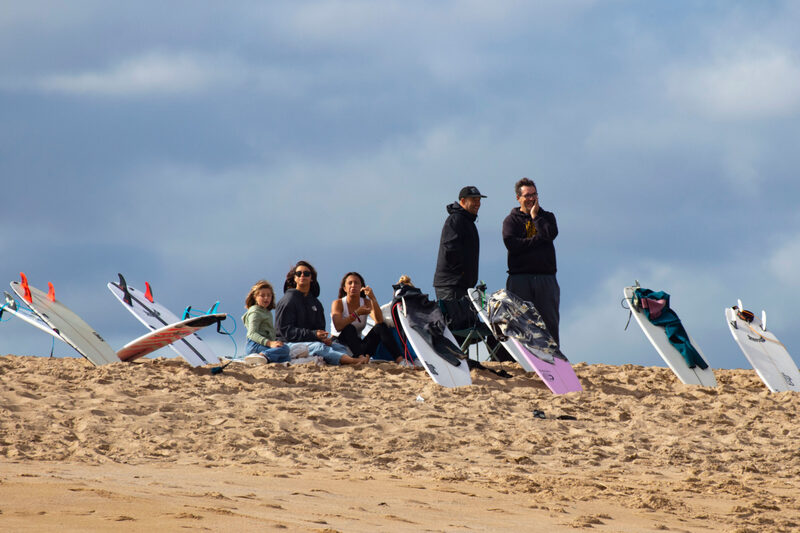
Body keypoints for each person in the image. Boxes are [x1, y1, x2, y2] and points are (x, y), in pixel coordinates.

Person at [274, 260, 368, 366]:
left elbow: (320, 328)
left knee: (338, 347)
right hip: (289, 344)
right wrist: (314, 335)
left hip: (312, 342)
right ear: (295, 278)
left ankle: (345, 359)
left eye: (306, 273)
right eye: (299, 273)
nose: (302, 276)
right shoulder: (288, 300)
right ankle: (353, 361)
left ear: (312, 278)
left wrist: (323, 338)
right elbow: (285, 331)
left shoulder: (315, 303)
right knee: (319, 347)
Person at [502, 177, 561, 345]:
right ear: (518, 198)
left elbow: (550, 234)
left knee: (549, 322)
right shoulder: (511, 221)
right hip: (520, 278)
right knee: (520, 322)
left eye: (534, 194)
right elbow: (512, 245)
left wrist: (536, 217)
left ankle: (554, 360)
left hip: (546, 278)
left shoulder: (547, 217)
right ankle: (524, 360)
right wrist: (538, 240)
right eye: (527, 195)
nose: (531, 199)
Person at [330, 271, 408, 365]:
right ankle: (361, 358)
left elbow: (379, 320)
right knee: (349, 328)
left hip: (357, 347)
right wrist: (356, 314)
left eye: (356, 283)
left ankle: (400, 360)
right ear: (344, 288)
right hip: (340, 345)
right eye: (350, 283)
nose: (353, 285)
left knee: (380, 327)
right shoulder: (338, 303)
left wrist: (373, 298)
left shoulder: (366, 303)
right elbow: (338, 326)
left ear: (361, 287)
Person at [432, 185, 486, 301]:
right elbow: (450, 249)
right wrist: (462, 274)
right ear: (463, 201)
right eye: (474, 200)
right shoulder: (456, 219)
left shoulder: (467, 221)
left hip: (460, 285)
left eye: (479, 200)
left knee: (465, 319)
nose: (478, 203)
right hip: (451, 285)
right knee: (454, 319)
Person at [242, 280, 291, 363]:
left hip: (264, 345)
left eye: (269, 295)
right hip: (255, 345)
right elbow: (251, 334)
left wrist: (275, 343)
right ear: (255, 297)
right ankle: (263, 356)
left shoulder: (267, 313)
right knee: (285, 349)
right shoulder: (255, 312)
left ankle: (263, 359)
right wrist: (270, 343)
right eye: (262, 295)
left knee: (286, 357)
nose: (266, 298)